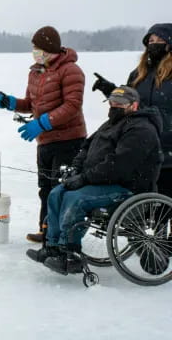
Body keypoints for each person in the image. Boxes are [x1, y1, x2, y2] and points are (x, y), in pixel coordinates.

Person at [26, 86, 163, 274]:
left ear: (134, 105)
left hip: (126, 187)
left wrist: (84, 178)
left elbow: (118, 165)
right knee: (57, 192)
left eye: (121, 103)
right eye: (112, 102)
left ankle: (70, 253)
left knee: (75, 199)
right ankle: (52, 247)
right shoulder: (111, 124)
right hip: (99, 181)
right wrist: (75, 169)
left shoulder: (141, 128)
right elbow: (86, 148)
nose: (115, 106)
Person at [0, 26, 86, 243]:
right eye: (33, 48)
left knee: (60, 190)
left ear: (48, 48)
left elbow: (72, 105)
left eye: (37, 48)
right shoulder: (36, 71)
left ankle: (61, 236)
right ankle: (46, 231)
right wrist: (11, 102)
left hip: (69, 141)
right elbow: (31, 104)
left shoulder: (71, 70)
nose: (34, 52)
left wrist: (43, 123)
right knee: (45, 189)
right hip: (45, 142)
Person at [92, 23, 172, 198]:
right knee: (145, 213)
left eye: (160, 40)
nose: (154, 44)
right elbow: (129, 102)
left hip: (169, 153)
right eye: (151, 40)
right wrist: (110, 90)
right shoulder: (138, 74)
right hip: (143, 150)